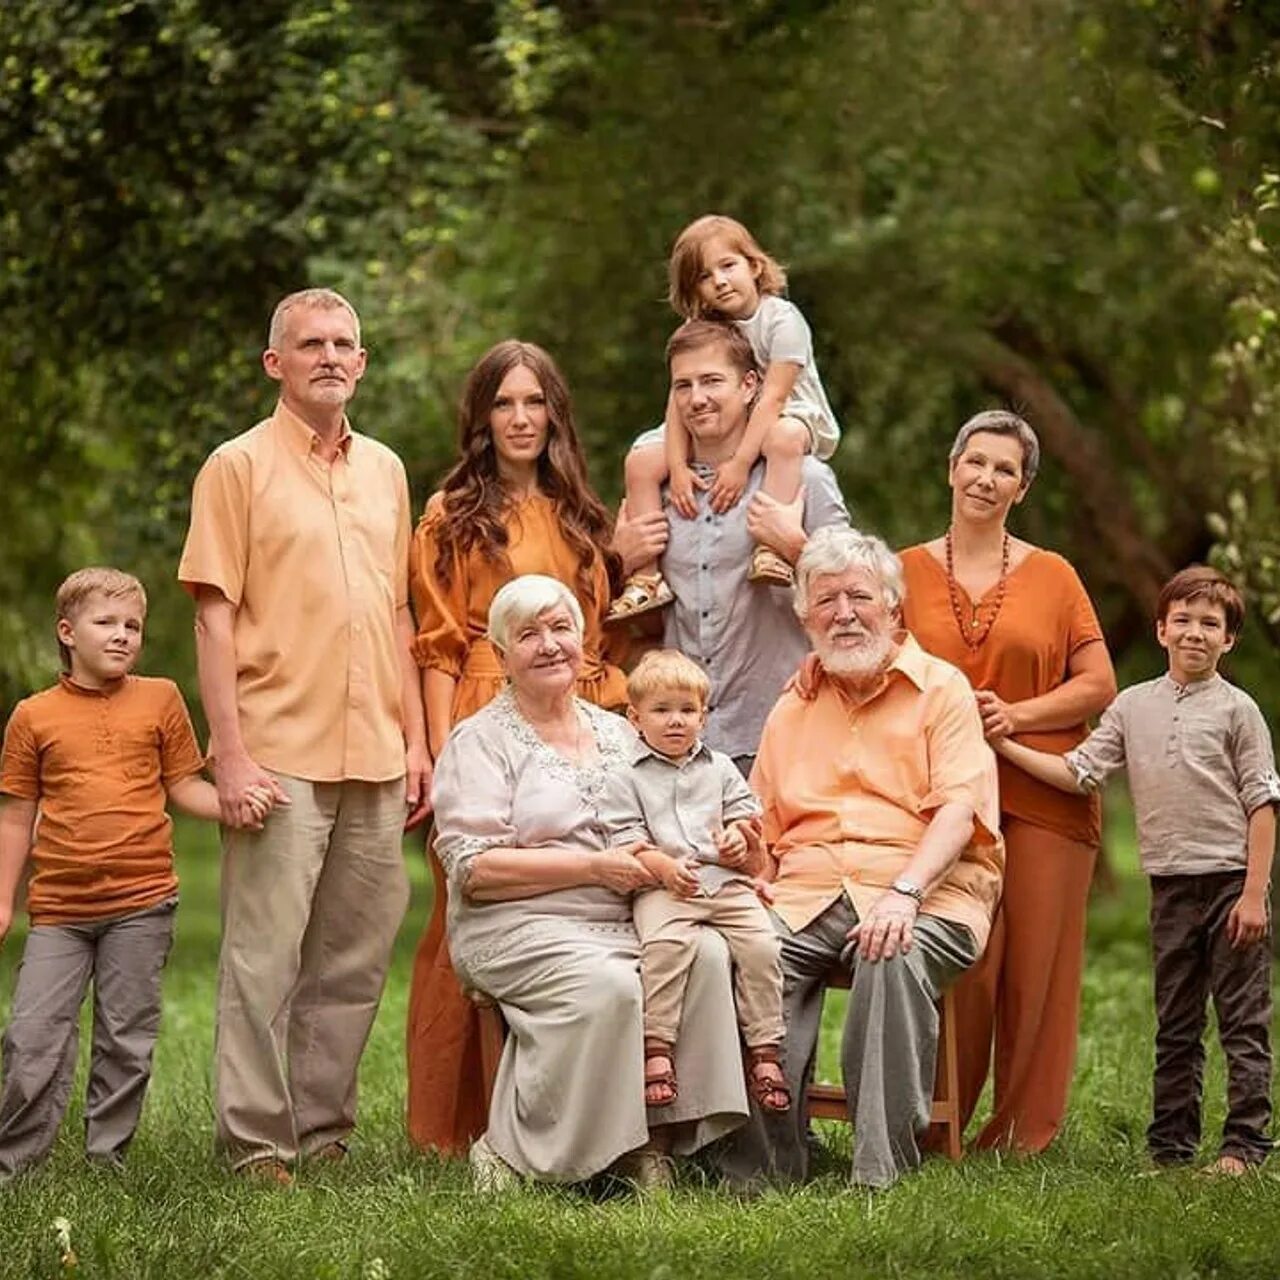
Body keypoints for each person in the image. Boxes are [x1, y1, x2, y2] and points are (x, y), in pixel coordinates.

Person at [178, 288, 428, 1184]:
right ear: (275, 363)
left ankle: (323, 1130)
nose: (329, 355)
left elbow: (397, 612)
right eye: (309, 343)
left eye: (344, 343)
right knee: (264, 957)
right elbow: (215, 618)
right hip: (277, 748)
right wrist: (231, 752)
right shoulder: (234, 468)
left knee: (354, 957)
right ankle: (255, 1142)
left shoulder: (389, 471)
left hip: (376, 747)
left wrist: (417, 743)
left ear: (362, 363)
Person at [432, 576, 749, 1189]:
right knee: (611, 988)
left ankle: (654, 1144)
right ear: (501, 656)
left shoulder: (619, 732)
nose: (550, 646)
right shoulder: (480, 741)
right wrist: (593, 867)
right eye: (529, 635)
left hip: (625, 914)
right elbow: (474, 870)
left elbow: (669, 823)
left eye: (561, 629)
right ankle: (519, 1150)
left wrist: (730, 851)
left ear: (584, 641)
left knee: (707, 956)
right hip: (516, 922)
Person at [719, 526, 1004, 1190]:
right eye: (826, 601)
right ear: (803, 615)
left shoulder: (942, 691)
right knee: (748, 951)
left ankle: (879, 1169)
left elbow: (959, 812)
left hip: (926, 886)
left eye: (859, 597)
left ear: (892, 606)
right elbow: (761, 823)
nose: (843, 613)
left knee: (889, 949)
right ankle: (766, 1166)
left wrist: (905, 892)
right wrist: (751, 868)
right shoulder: (792, 707)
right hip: (807, 888)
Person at [405, 339, 637, 1155]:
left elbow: (598, 629)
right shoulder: (450, 514)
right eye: (504, 403)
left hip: (581, 710)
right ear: (482, 417)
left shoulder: (578, 510)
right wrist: (434, 752)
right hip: (479, 705)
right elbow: (434, 644)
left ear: (554, 415)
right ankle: (449, 1124)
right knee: (464, 912)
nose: (520, 419)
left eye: (534, 402)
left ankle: (577, 1109)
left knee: (585, 907)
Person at [995, 567, 1279, 1175]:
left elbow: (1263, 803)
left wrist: (1254, 895)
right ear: (1161, 629)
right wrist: (1005, 746)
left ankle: (1244, 1148)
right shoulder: (1131, 706)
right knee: (1176, 1024)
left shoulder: (1239, 710)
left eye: (1211, 624)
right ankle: (1170, 1149)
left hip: (1231, 881)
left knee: (1241, 1022)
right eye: (1183, 621)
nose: (1195, 633)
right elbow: (1078, 772)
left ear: (1229, 639)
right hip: (1171, 887)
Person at [0, 568, 271, 1180]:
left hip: (142, 904)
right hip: (60, 912)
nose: (122, 636)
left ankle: (106, 1160)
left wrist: (233, 802)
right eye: (106, 623)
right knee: (31, 1037)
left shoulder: (161, 699)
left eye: (133, 627)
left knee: (127, 1039)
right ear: (67, 632)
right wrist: (3, 903)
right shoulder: (33, 716)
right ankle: (16, 1166)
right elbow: (16, 817)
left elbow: (183, 787)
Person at [897, 410, 1116, 1152]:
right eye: (976, 462)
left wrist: (1015, 717)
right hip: (946, 799)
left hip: (1045, 790)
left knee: (1034, 973)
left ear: (1022, 489)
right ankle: (935, 1122)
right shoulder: (900, 571)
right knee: (967, 961)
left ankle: (1022, 1134)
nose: (986, 479)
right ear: (950, 468)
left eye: (1005, 470)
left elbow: (1099, 683)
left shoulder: (1054, 575)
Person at [609, 215, 841, 620]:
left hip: (788, 410)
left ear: (753, 266)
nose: (719, 281)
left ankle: (771, 548)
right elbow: (676, 398)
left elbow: (772, 397)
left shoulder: (782, 321)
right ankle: (645, 578)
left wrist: (738, 466)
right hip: (733, 418)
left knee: (783, 437)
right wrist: (678, 468)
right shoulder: (702, 328)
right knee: (642, 460)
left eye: (728, 266)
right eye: (704, 275)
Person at [647, 320, 848, 774]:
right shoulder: (660, 490)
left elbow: (868, 591)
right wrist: (620, 558)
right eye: (684, 386)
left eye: (712, 381)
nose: (696, 398)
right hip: (683, 749)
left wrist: (796, 545)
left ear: (750, 385)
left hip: (784, 737)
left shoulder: (804, 479)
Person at [597, 649, 789, 1118]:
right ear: (635, 718)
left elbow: (746, 819)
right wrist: (663, 868)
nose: (676, 721)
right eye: (662, 711)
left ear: (703, 717)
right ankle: (657, 1046)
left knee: (763, 946)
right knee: (665, 947)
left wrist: (737, 840)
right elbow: (628, 840)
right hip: (666, 888)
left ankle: (765, 1050)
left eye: (687, 710)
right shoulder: (625, 777)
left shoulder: (720, 768)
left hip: (723, 884)